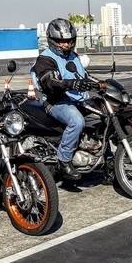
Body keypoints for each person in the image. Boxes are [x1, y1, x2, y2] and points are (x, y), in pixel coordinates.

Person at [31, 18, 92, 180]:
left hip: (77, 100)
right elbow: (50, 82)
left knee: (105, 115)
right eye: (61, 42)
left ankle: (106, 161)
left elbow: (83, 76)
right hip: (55, 101)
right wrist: (71, 84)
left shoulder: (74, 56)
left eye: (69, 41)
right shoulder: (45, 59)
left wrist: (99, 84)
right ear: (52, 40)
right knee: (76, 121)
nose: (66, 45)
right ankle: (63, 161)